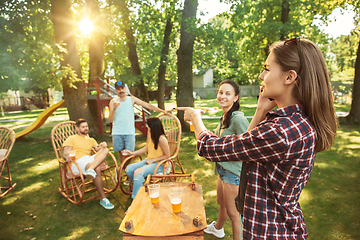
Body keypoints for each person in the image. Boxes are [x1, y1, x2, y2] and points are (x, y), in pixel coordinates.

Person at [177, 37, 337, 239]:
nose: (261, 76)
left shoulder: (281, 132)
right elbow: (246, 148)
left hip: (271, 231)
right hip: (276, 226)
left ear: (289, 77)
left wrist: (195, 117)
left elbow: (211, 148)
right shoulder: (295, 123)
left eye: (268, 69)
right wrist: (261, 109)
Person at [203, 80, 249, 240]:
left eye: (227, 93)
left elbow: (248, 145)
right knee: (221, 202)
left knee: (234, 215)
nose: (222, 96)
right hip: (222, 170)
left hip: (232, 173)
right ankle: (218, 229)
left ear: (235, 98)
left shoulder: (237, 119)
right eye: (220, 92)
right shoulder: (225, 117)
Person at [108, 80, 168, 163]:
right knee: (121, 155)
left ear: (125, 88)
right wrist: (114, 109)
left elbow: (147, 105)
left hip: (129, 132)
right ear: (116, 90)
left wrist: (163, 111)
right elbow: (110, 120)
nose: (121, 91)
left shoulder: (131, 99)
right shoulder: (113, 102)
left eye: (122, 88)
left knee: (129, 155)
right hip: (117, 132)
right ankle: (124, 173)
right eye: (118, 89)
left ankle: (125, 171)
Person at [63, 118, 114, 210]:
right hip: (77, 162)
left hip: (88, 160)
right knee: (97, 168)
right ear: (77, 128)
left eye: (86, 126)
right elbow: (65, 153)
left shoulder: (91, 140)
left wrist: (102, 145)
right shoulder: (72, 139)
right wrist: (67, 156)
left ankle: (90, 169)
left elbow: (98, 149)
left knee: (105, 150)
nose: (86, 128)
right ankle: (103, 198)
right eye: (83, 127)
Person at [122, 117, 170, 200]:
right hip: (149, 161)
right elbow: (146, 148)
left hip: (160, 165)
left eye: (148, 125)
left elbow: (167, 156)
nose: (146, 127)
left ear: (152, 127)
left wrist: (153, 160)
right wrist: (132, 153)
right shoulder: (151, 135)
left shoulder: (162, 139)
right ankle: (139, 187)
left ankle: (136, 199)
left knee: (137, 172)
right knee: (128, 169)